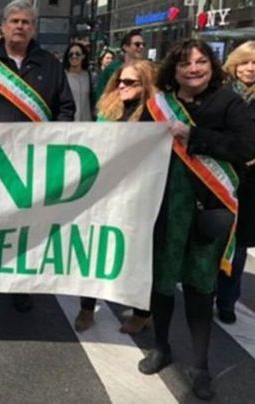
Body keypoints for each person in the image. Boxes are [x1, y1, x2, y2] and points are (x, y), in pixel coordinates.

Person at [139, 39, 255, 401]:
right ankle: (161, 346)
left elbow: (247, 146)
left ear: (212, 65)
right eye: (185, 63)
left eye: (201, 62)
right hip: (163, 209)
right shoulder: (157, 107)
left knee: (199, 288)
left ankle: (201, 365)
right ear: (173, 70)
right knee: (160, 282)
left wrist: (195, 137)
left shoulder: (228, 102)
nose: (193, 69)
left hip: (208, 211)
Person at [0, 0, 75, 312]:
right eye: (14, 20)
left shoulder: (50, 65)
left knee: (25, 228)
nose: (20, 26)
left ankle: (21, 285)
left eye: (26, 22)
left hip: (32, 165)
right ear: (2, 25)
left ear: (34, 27)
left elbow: (66, 108)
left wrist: (55, 138)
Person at [72, 59, 157, 334]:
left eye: (130, 82)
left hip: (139, 192)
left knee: (137, 252)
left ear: (145, 85)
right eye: (120, 81)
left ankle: (142, 312)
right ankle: (87, 308)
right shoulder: (107, 108)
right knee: (95, 247)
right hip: (105, 190)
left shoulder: (156, 114)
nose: (122, 86)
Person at [216, 40, 255, 324]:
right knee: (213, 238)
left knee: (239, 245)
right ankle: (206, 291)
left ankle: (227, 300)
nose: (250, 68)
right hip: (219, 175)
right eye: (245, 62)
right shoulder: (220, 94)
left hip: (250, 184)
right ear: (234, 64)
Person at [95, 29, 144, 101]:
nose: (141, 47)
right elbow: (101, 96)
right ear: (125, 47)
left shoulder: (145, 69)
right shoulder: (111, 69)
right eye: (137, 44)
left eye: (143, 44)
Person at [63, 42, 93, 121]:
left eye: (77, 54)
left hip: (87, 123)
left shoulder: (88, 76)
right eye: (71, 54)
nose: (74, 56)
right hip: (69, 122)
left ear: (83, 56)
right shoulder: (63, 76)